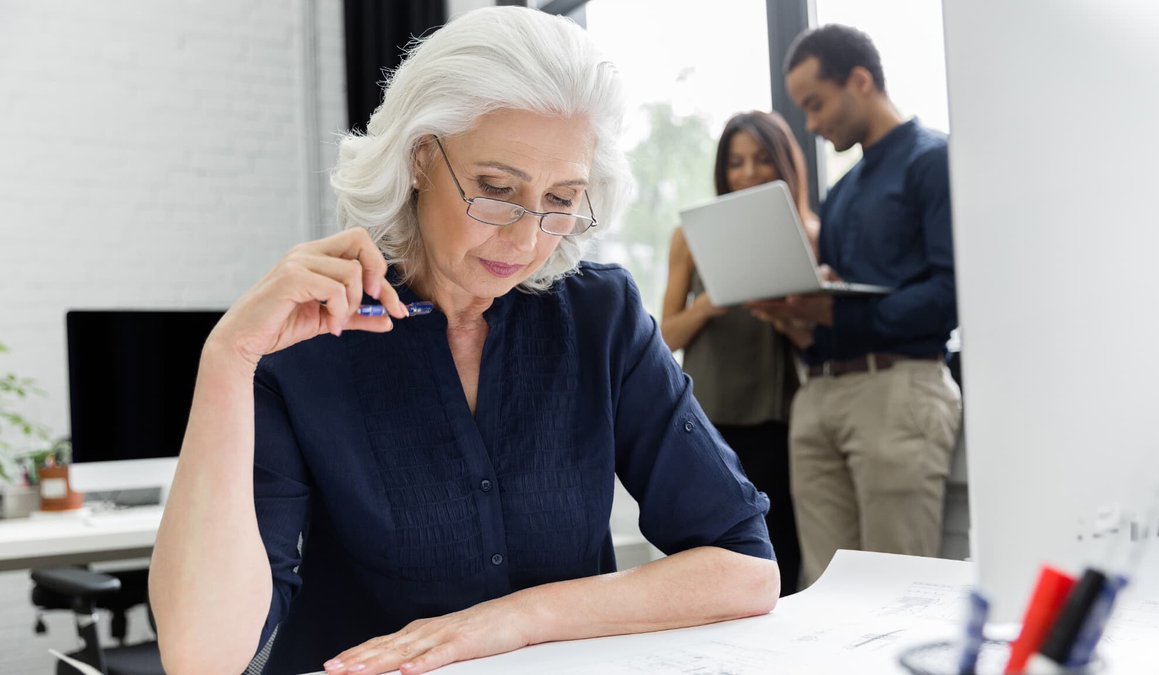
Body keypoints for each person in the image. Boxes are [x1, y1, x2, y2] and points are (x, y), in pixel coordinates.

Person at [146, 7, 779, 675]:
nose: (528, 237)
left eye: (562, 198)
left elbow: (744, 567)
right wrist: (227, 358)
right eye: (497, 190)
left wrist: (513, 618)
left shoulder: (600, 314)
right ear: (421, 158)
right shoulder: (311, 334)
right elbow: (201, 655)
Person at [750, 24, 961, 586]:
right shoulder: (841, 193)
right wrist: (795, 313)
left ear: (860, 81)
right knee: (824, 589)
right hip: (820, 396)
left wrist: (834, 313)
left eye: (816, 105)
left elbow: (952, 295)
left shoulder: (932, 162)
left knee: (901, 587)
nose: (813, 125)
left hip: (898, 392)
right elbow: (835, 308)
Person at [659, 111, 816, 596]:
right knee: (712, 553)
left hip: (779, 418)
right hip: (709, 420)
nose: (748, 173)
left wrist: (783, 314)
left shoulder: (808, 231)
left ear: (786, 164)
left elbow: (818, 341)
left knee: (780, 554)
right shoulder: (692, 236)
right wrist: (709, 305)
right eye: (736, 162)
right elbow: (665, 335)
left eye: (762, 160)